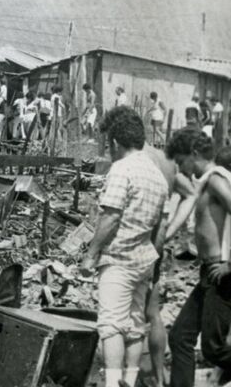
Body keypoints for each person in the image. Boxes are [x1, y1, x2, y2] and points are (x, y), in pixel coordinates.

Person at [101, 107, 197, 387]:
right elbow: (189, 194)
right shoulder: (162, 160)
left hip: (132, 247)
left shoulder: (129, 162)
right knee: (149, 314)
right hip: (153, 245)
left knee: (117, 321)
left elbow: (115, 212)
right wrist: (167, 234)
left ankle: (119, 379)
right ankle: (157, 374)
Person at [80, 108, 168, 387]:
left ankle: (112, 383)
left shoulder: (122, 169)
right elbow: (161, 229)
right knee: (133, 326)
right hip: (143, 260)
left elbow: (111, 217)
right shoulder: (157, 175)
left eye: (108, 144)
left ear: (115, 142)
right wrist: (152, 262)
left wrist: (91, 256)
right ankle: (129, 381)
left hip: (118, 260)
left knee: (110, 326)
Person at [163, 130, 231, 387]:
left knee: (213, 350)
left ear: (193, 153)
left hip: (221, 273)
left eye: (181, 161)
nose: (181, 168)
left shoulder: (216, 179)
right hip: (209, 272)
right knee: (180, 337)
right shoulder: (205, 182)